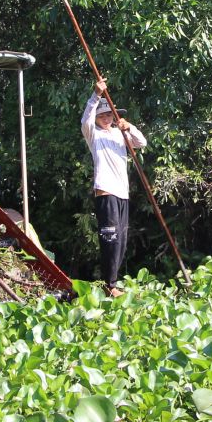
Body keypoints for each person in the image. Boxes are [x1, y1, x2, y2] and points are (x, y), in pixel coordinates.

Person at [81, 79, 146, 295]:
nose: (107, 118)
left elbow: (141, 142)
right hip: (106, 191)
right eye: (103, 115)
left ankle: (114, 283)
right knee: (110, 238)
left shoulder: (120, 134)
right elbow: (85, 121)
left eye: (110, 115)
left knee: (122, 240)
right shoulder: (94, 135)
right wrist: (96, 95)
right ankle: (109, 285)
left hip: (122, 193)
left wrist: (130, 127)